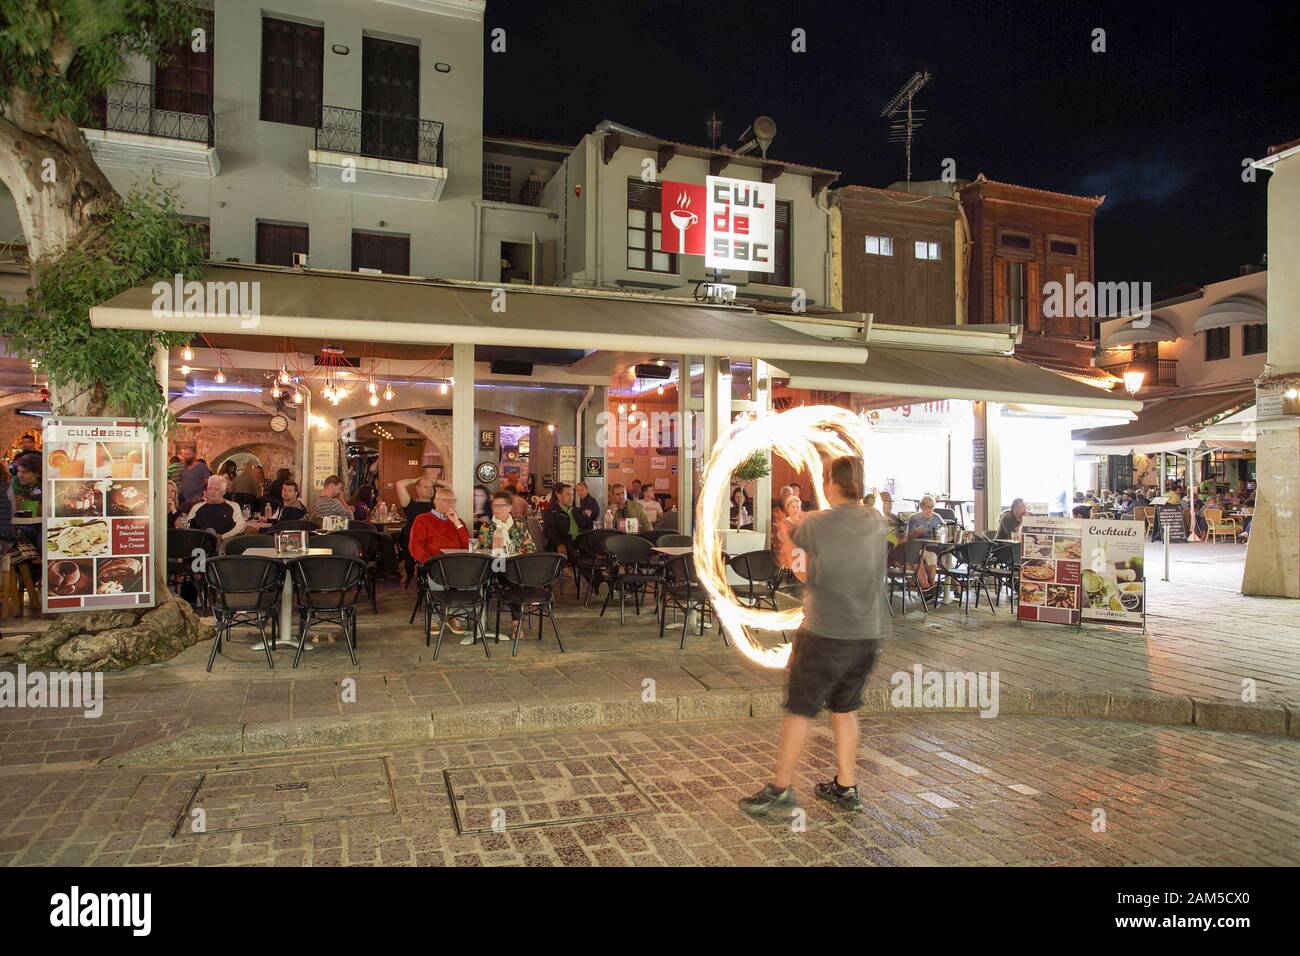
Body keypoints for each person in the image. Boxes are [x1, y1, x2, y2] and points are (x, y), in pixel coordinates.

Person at [740, 455, 889, 819]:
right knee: (845, 707)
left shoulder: (816, 523)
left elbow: (799, 570)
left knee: (800, 710)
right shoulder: (876, 520)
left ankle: (779, 791)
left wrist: (785, 535)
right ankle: (846, 786)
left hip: (826, 632)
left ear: (829, 483)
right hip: (868, 634)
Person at [407, 486, 471, 637]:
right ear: (435, 501)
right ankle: (435, 617)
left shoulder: (458, 521)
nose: (449, 503)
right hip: (432, 564)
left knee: (469, 577)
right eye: (444, 500)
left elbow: (468, 547)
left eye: (452, 500)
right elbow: (415, 546)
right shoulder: (422, 519)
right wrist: (431, 562)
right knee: (436, 576)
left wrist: (457, 524)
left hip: (455, 566)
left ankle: (455, 616)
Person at [182, 475, 246, 540]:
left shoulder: (233, 506)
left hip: (224, 542)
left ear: (223, 492)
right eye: (210, 488)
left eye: (216, 489)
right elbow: (187, 526)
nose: (212, 492)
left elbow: (240, 526)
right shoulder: (197, 507)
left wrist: (222, 537)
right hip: (201, 543)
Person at [903, 495, 944, 592]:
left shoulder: (937, 517)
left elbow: (943, 529)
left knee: (942, 557)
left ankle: (931, 587)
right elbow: (910, 538)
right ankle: (931, 586)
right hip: (920, 547)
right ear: (922, 507)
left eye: (932, 507)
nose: (930, 509)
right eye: (927, 507)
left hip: (935, 547)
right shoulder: (915, 518)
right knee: (931, 556)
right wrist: (916, 532)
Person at [542, 482, 593, 555]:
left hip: (580, 544)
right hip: (565, 544)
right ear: (559, 496)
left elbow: (588, 527)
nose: (571, 497)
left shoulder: (578, 511)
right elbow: (549, 531)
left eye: (572, 494)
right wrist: (559, 544)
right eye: (568, 494)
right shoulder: (552, 512)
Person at [176, 444, 211, 510]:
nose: (187, 456)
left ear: (194, 454)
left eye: (189, 454)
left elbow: (208, 482)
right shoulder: (183, 468)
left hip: (197, 501)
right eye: (186, 454)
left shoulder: (202, 467)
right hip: (184, 501)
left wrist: (201, 497)